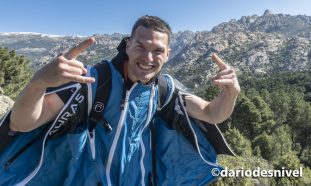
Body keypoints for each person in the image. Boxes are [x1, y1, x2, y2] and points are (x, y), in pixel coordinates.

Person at [6, 15, 240, 185]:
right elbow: (22, 123)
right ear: (127, 45)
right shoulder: (92, 81)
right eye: (140, 46)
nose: (148, 57)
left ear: (168, 54)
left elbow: (212, 113)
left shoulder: (165, 89)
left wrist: (231, 93)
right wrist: (38, 83)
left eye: (158, 51)